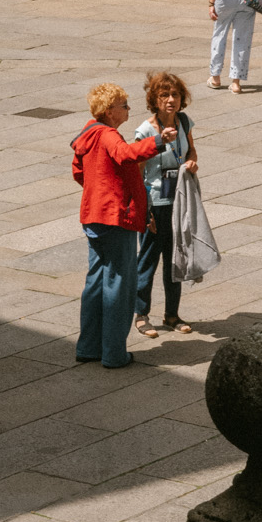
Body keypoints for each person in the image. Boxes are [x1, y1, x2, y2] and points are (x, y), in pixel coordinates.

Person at [72, 83, 175, 368]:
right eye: (124, 105)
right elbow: (127, 154)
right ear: (109, 111)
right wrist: (158, 141)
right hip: (116, 218)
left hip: (94, 216)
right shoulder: (108, 135)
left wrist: (97, 190)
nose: (129, 108)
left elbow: (78, 172)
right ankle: (114, 354)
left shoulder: (88, 132)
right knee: (119, 285)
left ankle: (88, 347)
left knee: (95, 283)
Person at [134, 72, 197, 339]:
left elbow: (191, 149)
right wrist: (143, 209)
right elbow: (137, 171)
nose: (171, 100)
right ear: (154, 100)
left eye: (175, 94)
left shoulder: (184, 122)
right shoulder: (146, 131)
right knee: (148, 260)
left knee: (175, 259)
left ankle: (172, 314)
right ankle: (141, 314)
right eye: (164, 95)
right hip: (155, 201)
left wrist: (192, 161)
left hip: (178, 200)